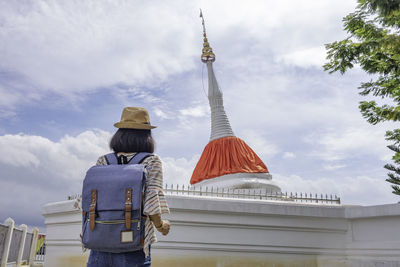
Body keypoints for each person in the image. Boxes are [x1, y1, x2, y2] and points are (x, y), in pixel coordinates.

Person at [86, 107, 170, 267]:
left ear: (119, 134)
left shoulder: (103, 161)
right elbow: (151, 204)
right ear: (147, 136)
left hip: (99, 241)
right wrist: (161, 226)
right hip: (133, 245)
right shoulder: (151, 161)